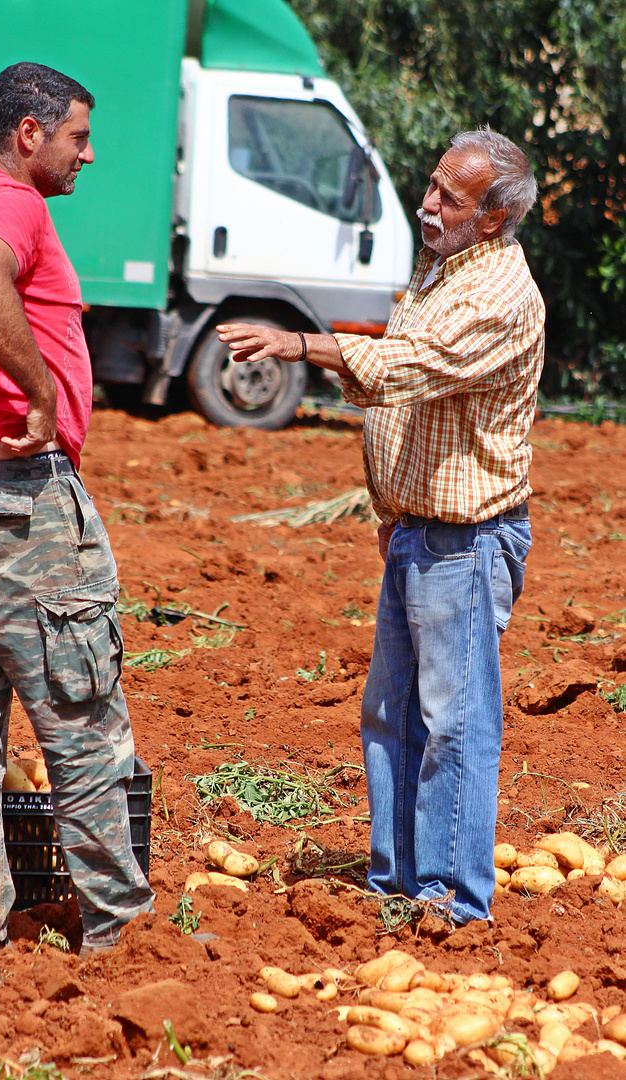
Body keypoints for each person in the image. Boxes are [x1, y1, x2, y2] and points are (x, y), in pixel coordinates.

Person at [217, 127, 545, 925]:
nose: (428, 205)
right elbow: (406, 372)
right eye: (431, 186)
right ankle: (397, 879)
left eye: (450, 199)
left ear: (494, 218)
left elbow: (406, 368)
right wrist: (392, 515)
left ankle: (454, 903)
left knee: (454, 728)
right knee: (390, 716)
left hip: (463, 545)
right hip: (417, 536)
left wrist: (298, 344)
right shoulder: (444, 269)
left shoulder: (498, 294)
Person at [0, 62, 154, 952]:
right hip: (13, 503)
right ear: (29, 133)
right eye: (79, 136)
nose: (90, 153)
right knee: (82, 713)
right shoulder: (13, 206)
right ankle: (123, 935)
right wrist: (42, 395)